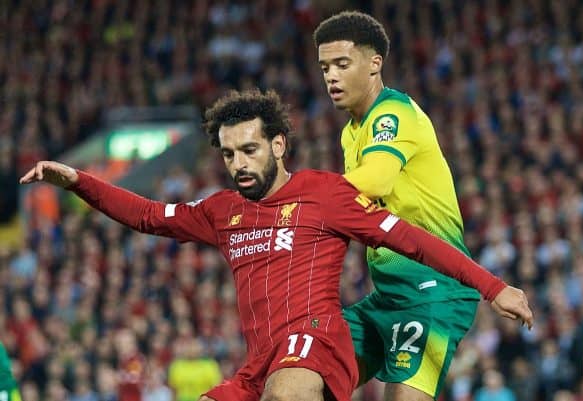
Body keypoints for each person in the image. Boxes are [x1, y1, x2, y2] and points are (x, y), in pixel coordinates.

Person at [20, 89, 532, 401]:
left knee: (288, 391)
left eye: (249, 150)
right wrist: (77, 181)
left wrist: (493, 287)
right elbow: (150, 216)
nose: (239, 164)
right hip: (259, 362)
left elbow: (412, 240)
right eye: (228, 154)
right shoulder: (221, 211)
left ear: (278, 144)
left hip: (315, 342)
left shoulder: (328, 194)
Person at [313, 11, 517, 401]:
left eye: (342, 64)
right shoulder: (349, 133)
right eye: (325, 67)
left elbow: (375, 180)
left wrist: (302, 196)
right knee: (305, 383)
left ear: (374, 64)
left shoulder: (394, 113)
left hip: (435, 292)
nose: (331, 77)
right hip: (386, 296)